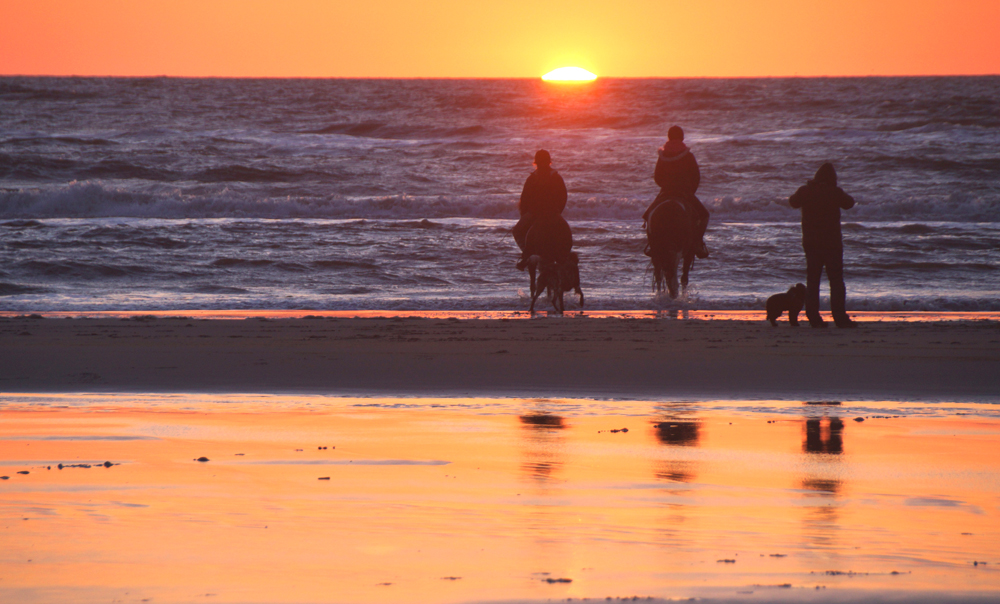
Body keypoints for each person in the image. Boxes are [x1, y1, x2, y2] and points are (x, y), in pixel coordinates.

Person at [789, 162, 857, 328]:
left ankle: (813, 317)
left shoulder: (806, 191)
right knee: (836, 281)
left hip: (811, 243)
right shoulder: (834, 192)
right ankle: (839, 318)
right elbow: (850, 203)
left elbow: (793, 202)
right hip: (832, 243)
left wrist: (809, 187)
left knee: (813, 281)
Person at [642, 125, 709, 258]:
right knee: (704, 215)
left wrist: (666, 186)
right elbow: (696, 177)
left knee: (647, 216)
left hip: (666, 192)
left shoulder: (663, 154)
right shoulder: (688, 155)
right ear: (682, 137)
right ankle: (697, 244)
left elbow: (657, 177)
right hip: (684, 192)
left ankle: (652, 245)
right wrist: (690, 192)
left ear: (669, 137)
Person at [513, 150, 568, 269]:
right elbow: (563, 197)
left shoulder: (532, 178)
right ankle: (566, 255)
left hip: (535, 214)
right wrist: (558, 212)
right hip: (554, 213)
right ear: (549, 162)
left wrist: (525, 214)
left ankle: (526, 255)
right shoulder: (556, 177)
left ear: (536, 162)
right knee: (566, 233)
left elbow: (524, 199)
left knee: (517, 231)